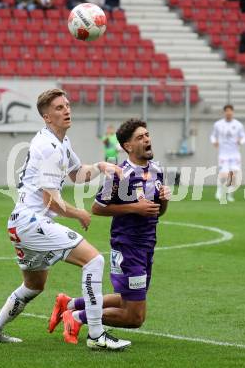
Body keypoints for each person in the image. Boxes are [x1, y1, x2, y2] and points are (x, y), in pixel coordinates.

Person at [0, 89, 131, 350]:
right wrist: (79, 213)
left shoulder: (61, 142)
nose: (67, 110)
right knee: (94, 260)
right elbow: (51, 201)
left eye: (67, 105)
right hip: (32, 221)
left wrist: (100, 167)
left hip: (21, 223)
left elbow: (77, 174)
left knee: (33, 285)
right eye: (60, 108)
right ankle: (96, 336)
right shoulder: (48, 147)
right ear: (47, 117)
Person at [48, 118, 170, 342]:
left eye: (147, 135)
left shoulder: (156, 170)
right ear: (128, 146)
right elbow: (97, 208)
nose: (147, 139)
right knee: (134, 317)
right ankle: (77, 317)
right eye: (140, 137)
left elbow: (156, 213)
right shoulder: (119, 174)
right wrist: (135, 207)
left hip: (147, 244)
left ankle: (70, 304)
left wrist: (164, 201)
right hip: (127, 245)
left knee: (130, 298)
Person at [210, 105, 245, 203]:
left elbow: (244, 138)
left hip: (235, 154)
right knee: (224, 174)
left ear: (233, 112)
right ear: (224, 112)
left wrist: (241, 141)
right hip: (223, 154)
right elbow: (213, 136)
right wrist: (214, 142)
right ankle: (219, 190)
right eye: (227, 111)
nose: (228, 113)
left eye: (230, 111)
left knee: (233, 175)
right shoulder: (218, 124)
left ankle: (230, 195)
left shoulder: (238, 125)